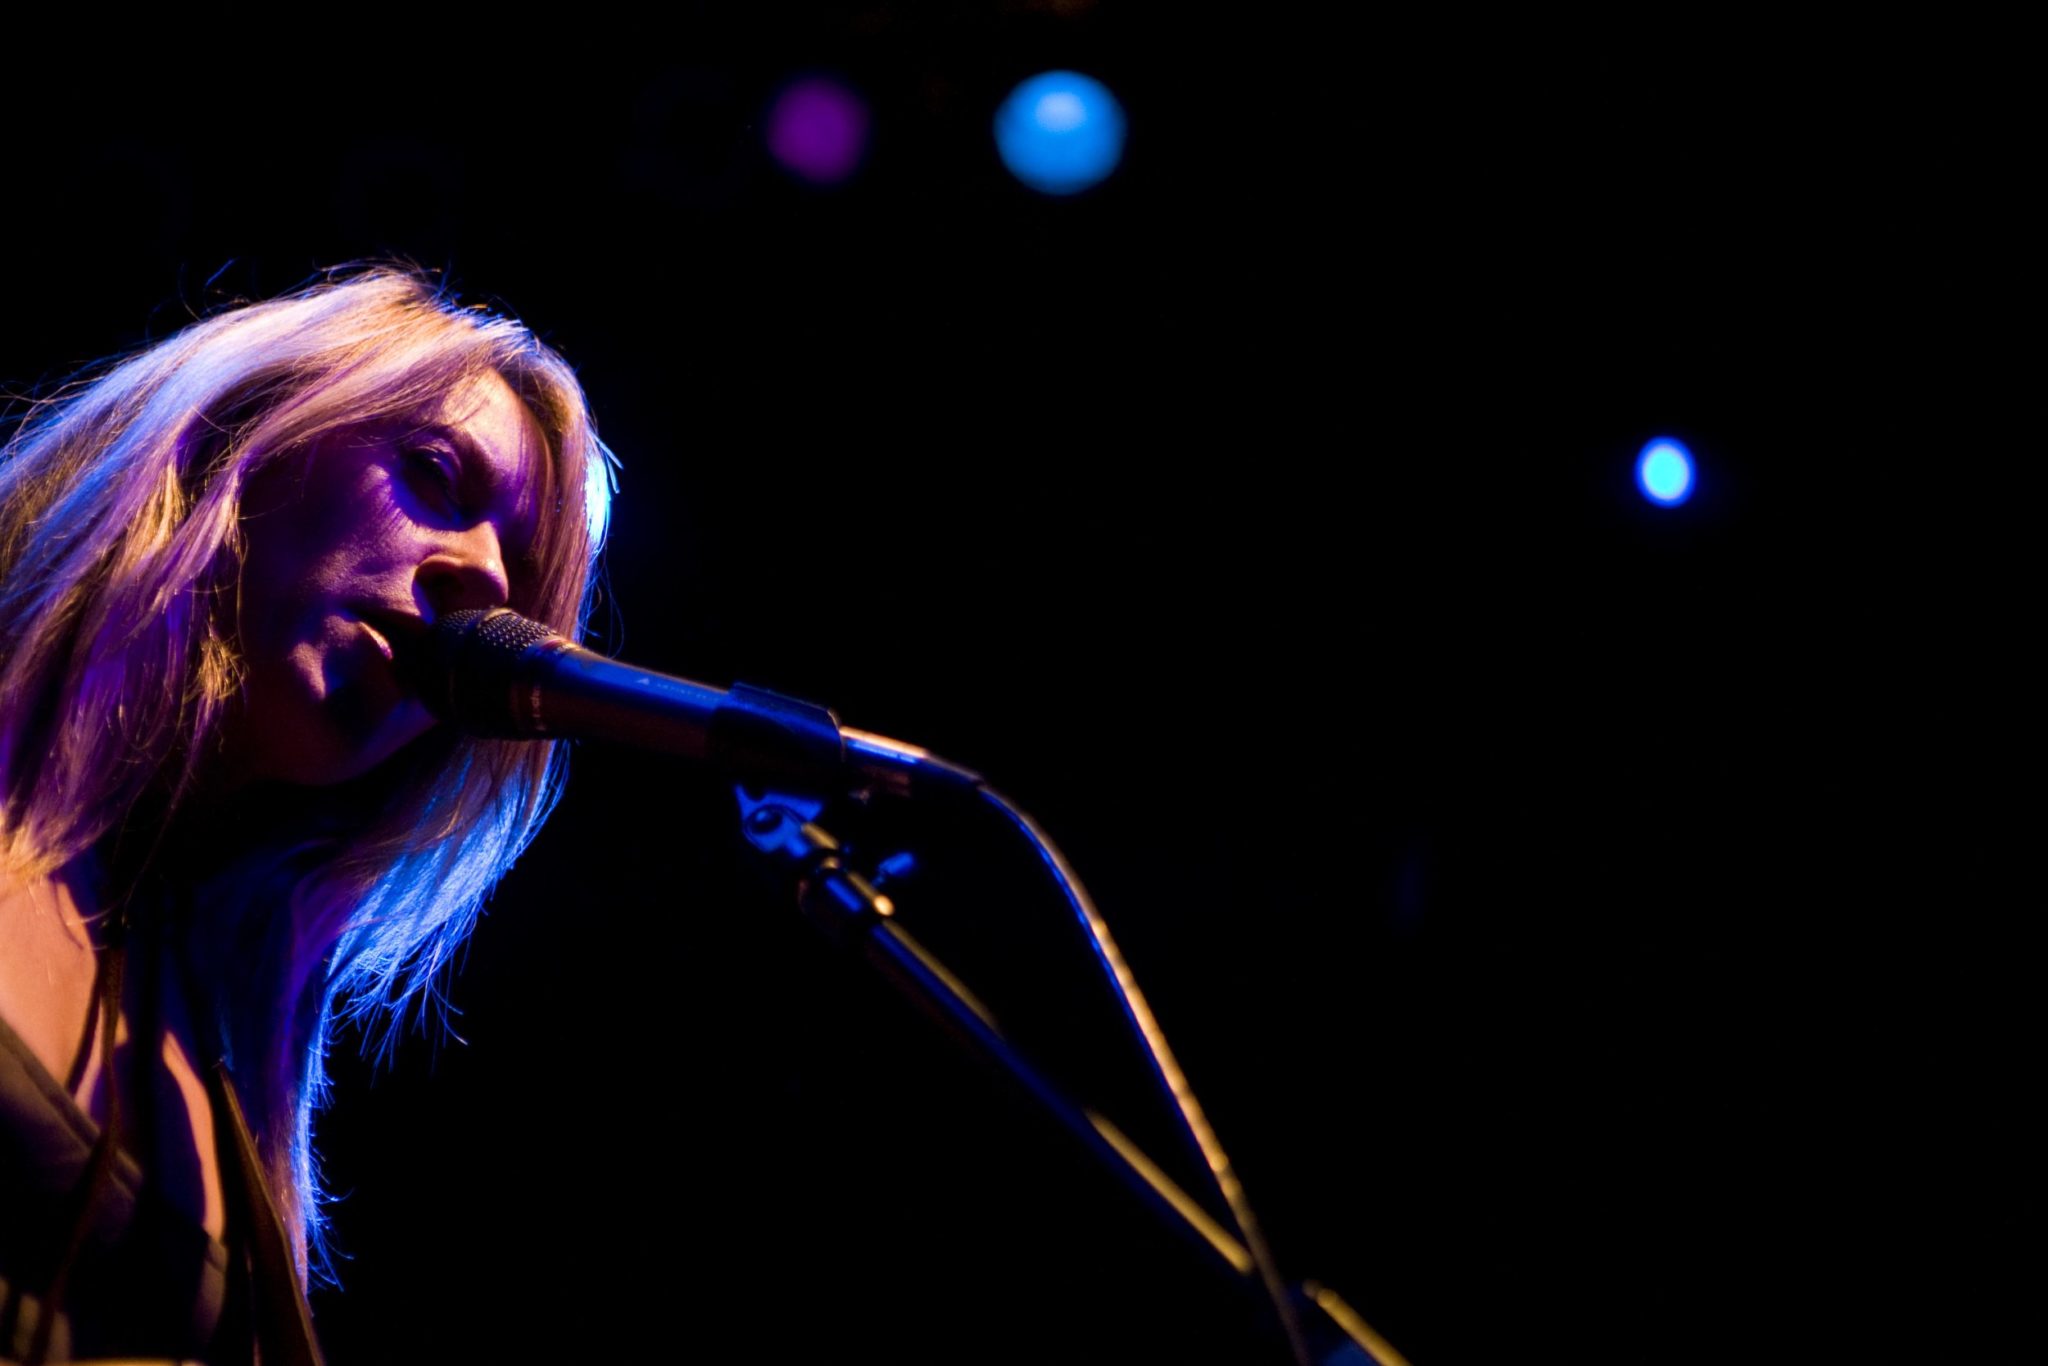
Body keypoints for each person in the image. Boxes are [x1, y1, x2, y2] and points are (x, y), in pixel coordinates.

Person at [0, 265, 616, 1363]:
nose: (480, 574)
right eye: (434, 475)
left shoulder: (222, 1023)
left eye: (517, 572)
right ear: (236, 441)